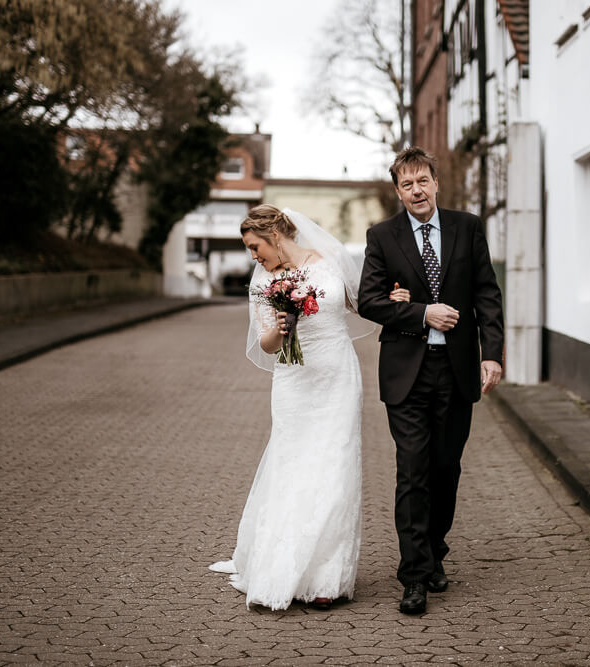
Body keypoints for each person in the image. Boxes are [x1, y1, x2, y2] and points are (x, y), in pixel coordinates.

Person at [358, 146, 504, 614]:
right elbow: (369, 301)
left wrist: (493, 355)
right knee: (413, 471)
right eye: (407, 184)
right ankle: (415, 575)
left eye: (423, 181)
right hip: (406, 373)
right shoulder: (382, 236)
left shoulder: (468, 227)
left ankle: (435, 549)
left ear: (435, 183)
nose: (416, 191)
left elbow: (487, 294)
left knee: (446, 470)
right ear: (397, 191)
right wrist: (421, 312)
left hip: (457, 370)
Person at [209, 205, 372, 610]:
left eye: (254, 247)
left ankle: (325, 580)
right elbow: (263, 342)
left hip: (337, 378)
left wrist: (399, 300)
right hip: (293, 384)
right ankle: (279, 567)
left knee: (334, 468)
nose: (253, 256)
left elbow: (362, 304)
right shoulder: (263, 279)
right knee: (292, 466)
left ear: (275, 236)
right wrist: (280, 330)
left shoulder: (331, 262)